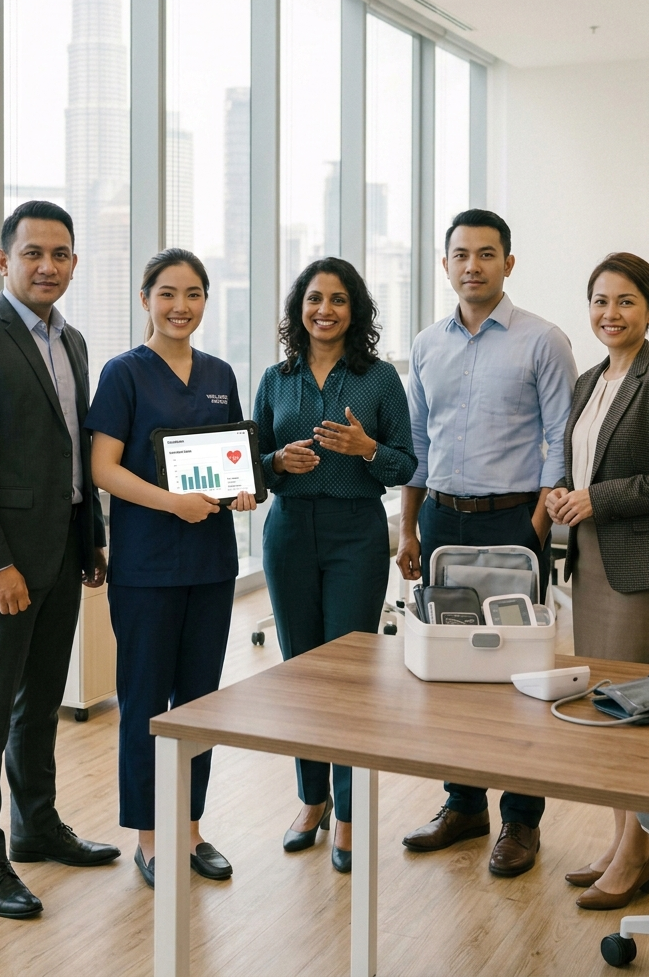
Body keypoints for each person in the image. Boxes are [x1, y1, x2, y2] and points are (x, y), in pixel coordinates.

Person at [0, 201, 119, 921]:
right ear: (2, 259)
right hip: (2, 565)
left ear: (74, 262)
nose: (48, 265)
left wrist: (90, 539)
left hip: (61, 553)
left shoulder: (70, 342)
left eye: (62, 254)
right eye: (34, 252)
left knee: (38, 702)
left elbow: (75, 451)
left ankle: (36, 827)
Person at [398, 208, 576, 877]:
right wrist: (409, 523)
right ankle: (464, 804)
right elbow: (419, 441)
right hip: (442, 521)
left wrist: (536, 529)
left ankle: (521, 821)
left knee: (518, 675)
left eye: (486, 253)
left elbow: (557, 439)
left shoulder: (543, 341)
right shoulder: (425, 344)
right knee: (448, 672)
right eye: (461, 254)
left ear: (509, 262)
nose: (472, 265)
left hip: (513, 525)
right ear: (445, 264)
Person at [546, 252, 649, 910]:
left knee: (639, 713)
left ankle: (639, 851)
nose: (609, 314)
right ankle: (624, 843)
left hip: (643, 570)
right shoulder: (589, 382)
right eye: (599, 301)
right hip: (591, 563)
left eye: (624, 302)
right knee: (605, 708)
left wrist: (599, 499)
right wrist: (567, 498)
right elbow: (584, 471)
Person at [87, 249, 255, 889]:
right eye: (166, 293)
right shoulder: (124, 373)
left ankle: (190, 827)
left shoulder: (218, 373)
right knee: (144, 702)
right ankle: (151, 836)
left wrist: (240, 489)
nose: (180, 306)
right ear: (145, 299)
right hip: (147, 565)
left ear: (206, 301)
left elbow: (233, 457)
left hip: (210, 563)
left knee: (200, 701)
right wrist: (170, 503)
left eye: (192, 294)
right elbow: (105, 468)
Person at [254, 257, 416, 874]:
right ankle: (311, 800)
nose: (325, 310)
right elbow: (253, 463)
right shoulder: (276, 377)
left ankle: (348, 813)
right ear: (300, 307)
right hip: (289, 531)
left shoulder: (377, 380)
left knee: (350, 678)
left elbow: (404, 465)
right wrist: (276, 463)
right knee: (300, 671)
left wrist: (367, 448)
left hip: (355, 533)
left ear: (356, 311)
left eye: (339, 300)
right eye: (315, 298)